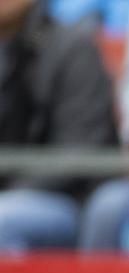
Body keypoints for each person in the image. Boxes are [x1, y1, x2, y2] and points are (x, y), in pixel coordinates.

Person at [0, 0, 116, 253]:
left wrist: (13, 190)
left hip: (66, 201)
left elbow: (79, 153)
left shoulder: (74, 48)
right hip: (11, 194)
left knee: (3, 219)